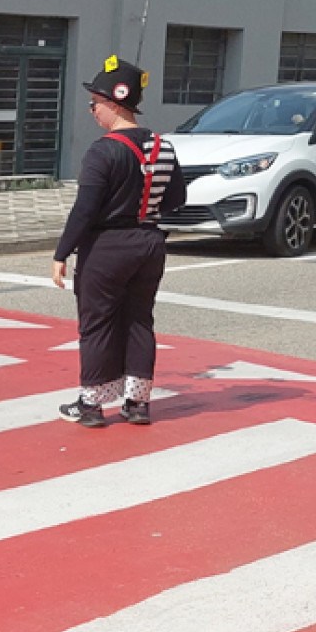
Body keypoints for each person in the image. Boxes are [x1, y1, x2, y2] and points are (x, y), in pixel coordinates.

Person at [50, 56, 186, 428]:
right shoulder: (164, 146)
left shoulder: (103, 151)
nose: (92, 110)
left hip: (107, 247)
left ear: (113, 102)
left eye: (94, 103)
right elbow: (177, 199)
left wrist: (62, 253)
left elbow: (84, 210)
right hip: (149, 244)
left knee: (97, 324)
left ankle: (92, 404)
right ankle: (137, 403)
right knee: (140, 320)